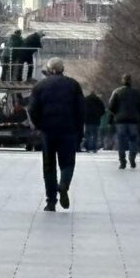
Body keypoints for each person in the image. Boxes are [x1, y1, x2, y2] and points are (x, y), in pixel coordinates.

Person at [28, 58, 85, 211]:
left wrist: (39, 125)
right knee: (68, 163)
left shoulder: (40, 86)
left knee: (49, 166)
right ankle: (64, 184)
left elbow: (32, 109)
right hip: (68, 130)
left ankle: (51, 201)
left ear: (48, 70)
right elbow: (81, 110)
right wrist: (79, 131)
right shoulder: (73, 85)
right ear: (62, 69)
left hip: (48, 131)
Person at [109, 74, 140, 169]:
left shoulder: (117, 92)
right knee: (133, 140)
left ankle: (122, 161)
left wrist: (116, 114)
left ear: (123, 81)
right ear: (131, 81)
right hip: (133, 120)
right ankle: (132, 158)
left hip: (120, 120)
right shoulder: (136, 93)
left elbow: (111, 106)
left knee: (121, 141)